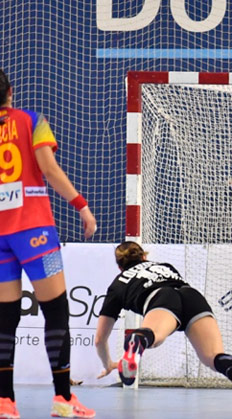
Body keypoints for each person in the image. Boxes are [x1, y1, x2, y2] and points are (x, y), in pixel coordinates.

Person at [0, 69, 97, 418]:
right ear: (11, 91)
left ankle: (4, 401)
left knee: (4, 317)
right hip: (35, 233)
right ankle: (62, 398)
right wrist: (82, 206)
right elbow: (50, 169)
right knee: (55, 309)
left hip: (0, 236)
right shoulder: (32, 121)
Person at [94, 242, 232, 413]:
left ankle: (138, 341)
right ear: (144, 257)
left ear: (119, 266)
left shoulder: (118, 284)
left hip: (161, 297)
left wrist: (108, 364)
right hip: (192, 296)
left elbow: (100, 338)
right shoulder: (165, 266)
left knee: (154, 336)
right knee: (213, 356)